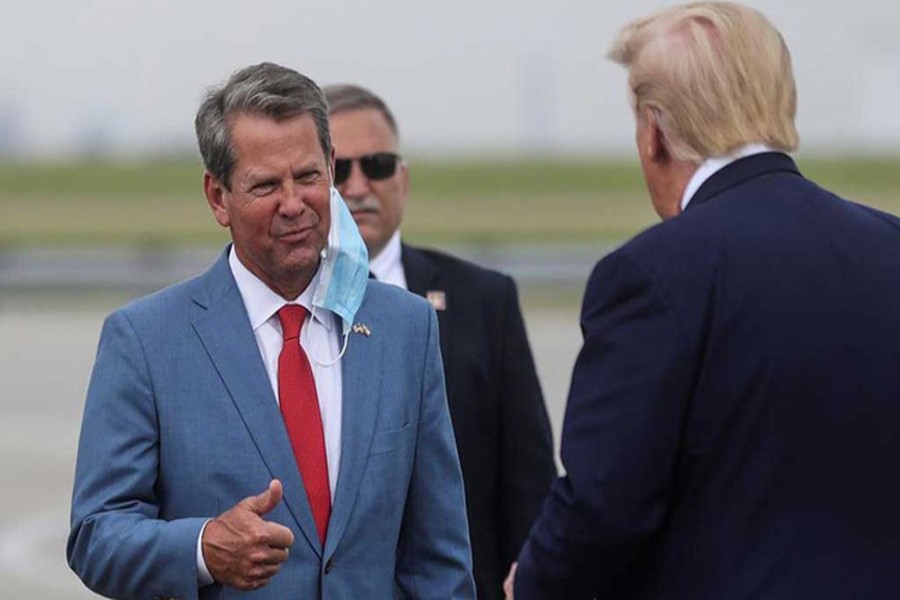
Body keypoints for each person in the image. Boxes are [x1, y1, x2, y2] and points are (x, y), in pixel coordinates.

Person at [507, 3, 900, 598]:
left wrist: (530, 584)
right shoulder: (889, 244)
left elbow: (605, 505)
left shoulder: (651, 273)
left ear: (655, 132)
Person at [67, 62, 476, 599]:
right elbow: (96, 534)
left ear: (330, 168)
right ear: (218, 197)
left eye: (308, 176)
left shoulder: (407, 328)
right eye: (265, 185)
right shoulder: (145, 341)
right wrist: (203, 548)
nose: (293, 204)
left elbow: (440, 561)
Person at [324, 83, 557, 600]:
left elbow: (529, 479)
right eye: (340, 170)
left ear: (403, 179)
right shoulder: (287, 309)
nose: (360, 186)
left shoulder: (484, 300)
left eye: (378, 165)